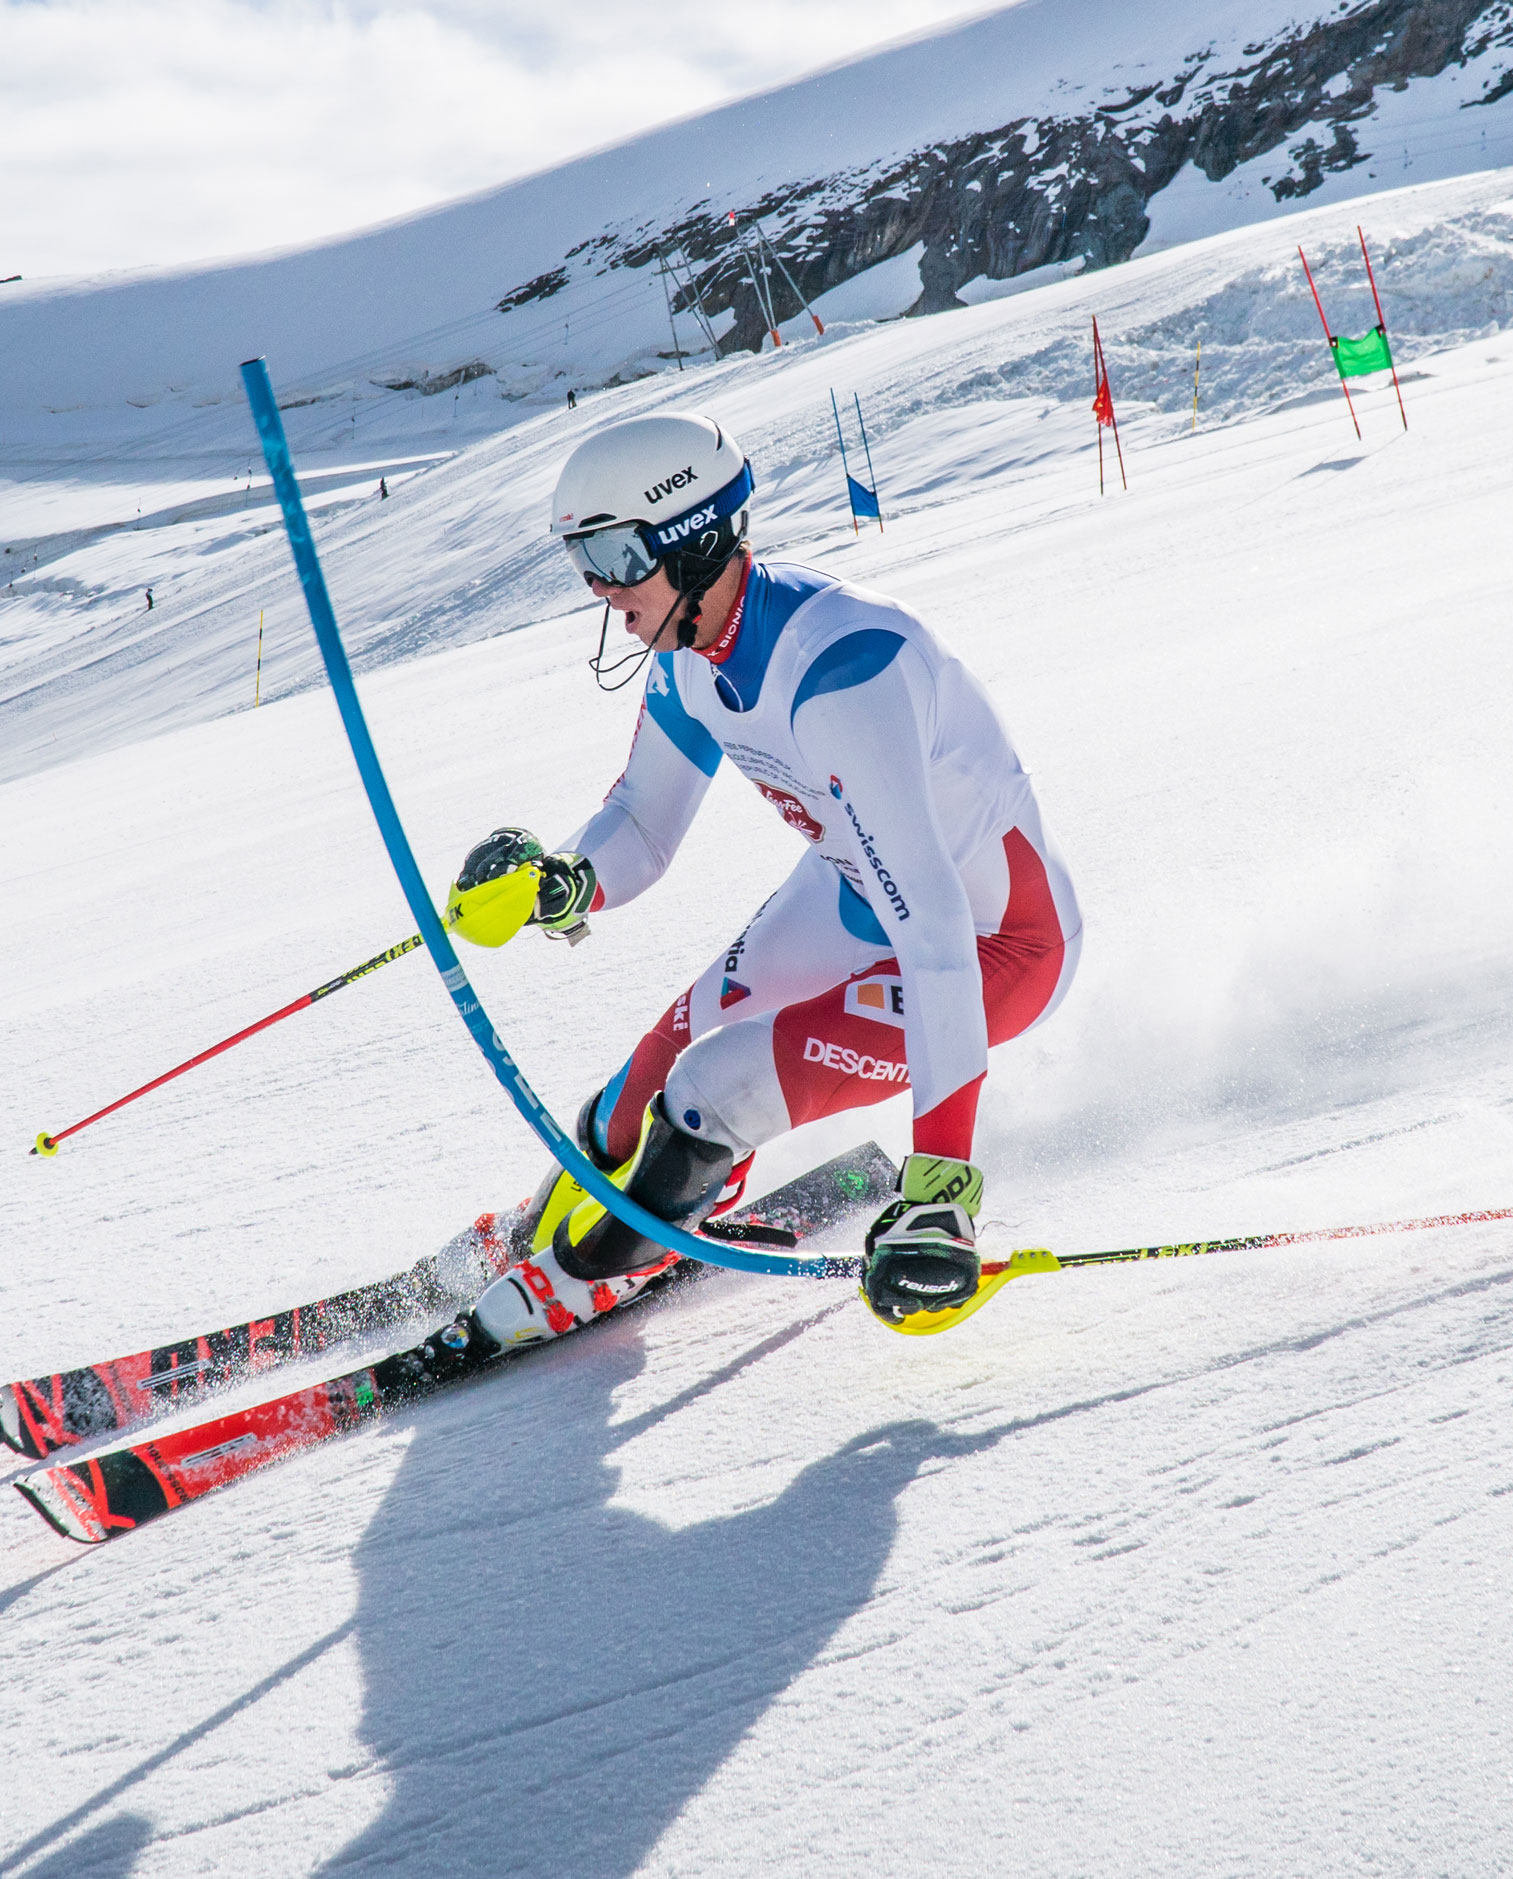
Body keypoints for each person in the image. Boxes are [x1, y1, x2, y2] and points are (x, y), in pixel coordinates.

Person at [446, 410, 1078, 1340]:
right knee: (647, 1072)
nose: (601, 590)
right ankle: (551, 1223)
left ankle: (593, 1269)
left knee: (712, 1086)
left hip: (992, 951)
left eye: (618, 557)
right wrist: (563, 881)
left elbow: (937, 937)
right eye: (584, 561)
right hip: (857, 893)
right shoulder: (694, 652)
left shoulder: (842, 675)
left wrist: (943, 1190)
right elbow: (641, 827)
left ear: (694, 540)